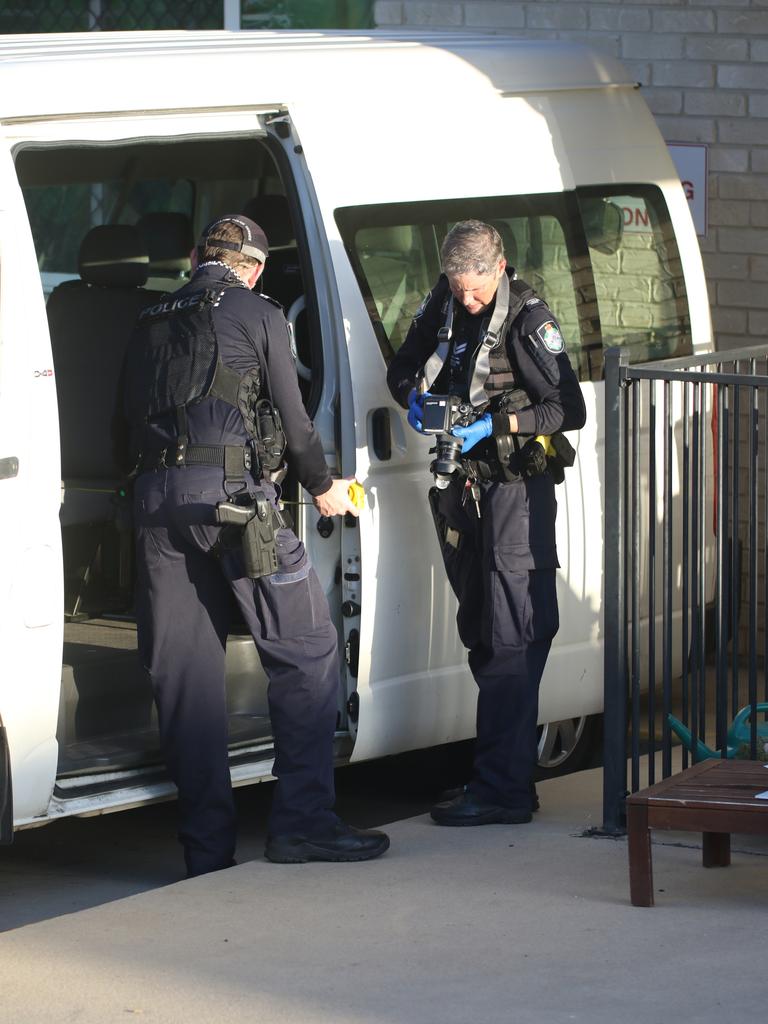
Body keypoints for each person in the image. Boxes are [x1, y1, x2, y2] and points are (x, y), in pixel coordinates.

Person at [121, 214, 389, 874]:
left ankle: (205, 851)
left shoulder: (149, 320)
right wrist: (322, 485)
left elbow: (117, 425)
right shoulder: (260, 312)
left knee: (184, 676)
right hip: (238, 504)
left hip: (155, 506)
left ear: (195, 258)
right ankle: (302, 823)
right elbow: (296, 424)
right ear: (256, 267)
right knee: (306, 648)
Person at [386, 220, 586, 826]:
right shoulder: (444, 301)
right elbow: (404, 366)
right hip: (463, 491)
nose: (467, 301)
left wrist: (498, 427)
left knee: (512, 640)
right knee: (481, 631)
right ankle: (497, 780)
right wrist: (412, 400)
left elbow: (568, 408)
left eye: (475, 291)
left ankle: (503, 790)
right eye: (457, 289)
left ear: (499, 268)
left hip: (515, 493)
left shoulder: (529, 319)